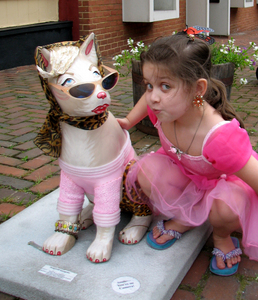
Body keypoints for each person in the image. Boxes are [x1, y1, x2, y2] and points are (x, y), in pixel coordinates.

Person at [117, 33, 258, 276]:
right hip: (188, 174)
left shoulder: (220, 138)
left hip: (224, 184)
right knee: (147, 173)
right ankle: (185, 217)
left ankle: (222, 236)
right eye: (149, 85)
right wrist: (129, 120)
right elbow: (146, 102)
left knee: (226, 208)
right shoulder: (163, 108)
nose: (153, 96)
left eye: (165, 86)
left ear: (198, 89)